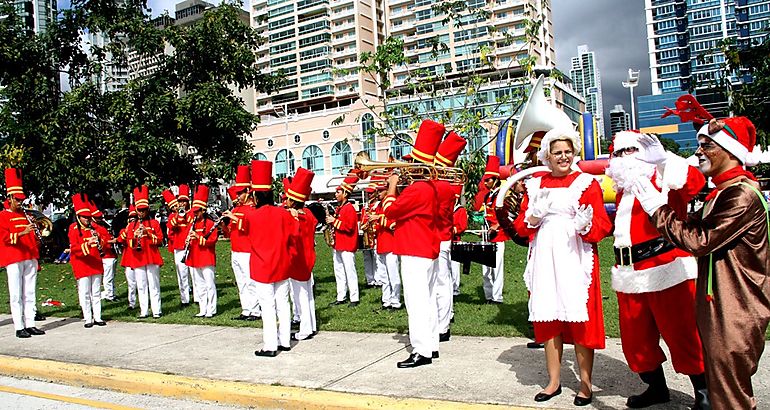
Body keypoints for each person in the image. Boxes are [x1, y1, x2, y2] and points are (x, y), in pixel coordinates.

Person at [630, 117, 769, 410]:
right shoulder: (722, 190)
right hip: (722, 303)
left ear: (730, 151)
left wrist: (657, 208)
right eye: (699, 145)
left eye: (708, 145)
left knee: (731, 396)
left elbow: (699, 240)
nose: (699, 152)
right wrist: (665, 166)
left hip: (736, 308)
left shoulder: (740, 193)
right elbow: (694, 224)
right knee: (723, 390)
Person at [604, 130, 708, 409]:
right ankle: (656, 388)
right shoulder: (623, 189)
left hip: (666, 268)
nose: (623, 158)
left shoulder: (664, 176)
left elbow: (694, 184)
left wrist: (664, 160)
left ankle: (705, 393)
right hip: (628, 273)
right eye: (617, 153)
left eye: (630, 151)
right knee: (636, 343)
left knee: (683, 335)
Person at [513, 128, 612, 406]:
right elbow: (521, 226)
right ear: (547, 155)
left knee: (580, 317)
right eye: (557, 152)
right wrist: (533, 215)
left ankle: (585, 383)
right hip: (545, 253)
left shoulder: (586, 183)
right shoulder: (535, 184)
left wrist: (585, 225)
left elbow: (603, 224)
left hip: (575, 254)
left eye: (568, 151)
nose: (563, 157)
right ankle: (554, 381)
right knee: (549, 318)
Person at [383, 119, 443, 368]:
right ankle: (431, 344)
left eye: (410, 163)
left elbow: (391, 211)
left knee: (416, 303)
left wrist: (392, 187)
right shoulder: (428, 187)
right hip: (425, 249)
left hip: (414, 251)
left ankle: (421, 350)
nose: (406, 167)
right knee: (427, 300)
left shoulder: (416, 189)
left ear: (419, 166)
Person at [248, 160, 300, 357]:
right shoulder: (283, 213)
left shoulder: (252, 216)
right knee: (284, 304)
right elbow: (294, 234)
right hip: (282, 264)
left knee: (268, 307)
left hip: (263, 266)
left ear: (256, 195)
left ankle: (270, 346)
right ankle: (285, 341)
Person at [0, 168, 45, 338]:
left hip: (29, 256)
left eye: (21, 200)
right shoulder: (3, 215)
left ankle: (30, 323)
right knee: (16, 293)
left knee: (30, 291)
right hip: (14, 257)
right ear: (10, 198)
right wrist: (23, 232)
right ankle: (19, 326)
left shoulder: (26, 215)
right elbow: (3, 238)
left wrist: (36, 228)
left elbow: (34, 236)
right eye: (17, 200)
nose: (20, 203)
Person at [433, 131, 467, 342]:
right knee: (439, 283)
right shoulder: (444, 184)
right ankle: (441, 321)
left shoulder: (446, 187)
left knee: (441, 283)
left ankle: (443, 324)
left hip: (441, 238)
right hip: (436, 238)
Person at [222, 165, 261, 321]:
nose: (237, 196)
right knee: (241, 281)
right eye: (237, 193)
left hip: (247, 250)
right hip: (236, 249)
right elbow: (231, 231)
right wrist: (224, 224)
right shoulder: (237, 208)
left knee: (250, 280)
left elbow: (250, 227)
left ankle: (256, 310)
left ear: (248, 192)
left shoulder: (253, 209)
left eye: (240, 193)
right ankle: (246, 309)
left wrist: (233, 218)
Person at [284, 167, 318, 341]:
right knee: (307, 294)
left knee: (300, 296)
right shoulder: (309, 213)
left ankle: (305, 329)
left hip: (297, 259)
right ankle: (310, 325)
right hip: (307, 257)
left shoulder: (294, 215)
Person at [68, 193, 107, 328]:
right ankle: (87, 318)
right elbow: (75, 249)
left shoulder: (94, 229)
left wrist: (99, 240)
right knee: (84, 292)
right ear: (78, 217)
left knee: (96, 291)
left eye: (88, 217)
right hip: (82, 264)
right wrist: (88, 244)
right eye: (84, 217)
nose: (87, 219)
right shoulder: (73, 229)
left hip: (95, 262)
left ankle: (98, 316)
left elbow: (105, 244)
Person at [126, 185, 164, 319]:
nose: (141, 213)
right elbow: (129, 243)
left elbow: (160, 240)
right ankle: (144, 310)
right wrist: (135, 235)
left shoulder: (154, 223)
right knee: (141, 285)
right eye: (139, 210)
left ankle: (156, 310)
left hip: (152, 256)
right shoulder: (131, 226)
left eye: (144, 210)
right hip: (138, 257)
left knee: (154, 284)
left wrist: (148, 233)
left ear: (147, 210)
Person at [326, 175, 360, 307]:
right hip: (338, 244)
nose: (335, 194)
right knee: (339, 271)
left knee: (349, 271)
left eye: (338, 192)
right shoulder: (340, 208)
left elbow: (350, 227)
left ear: (345, 194)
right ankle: (341, 296)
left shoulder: (349, 208)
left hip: (347, 245)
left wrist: (334, 221)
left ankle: (354, 297)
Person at [185, 185, 218, 318]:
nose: (195, 214)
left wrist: (197, 237)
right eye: (194, 212)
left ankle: (212, 309)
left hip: (207, 257)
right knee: (199, 285)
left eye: (197, 211)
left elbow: (212, 241)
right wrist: (188, 240)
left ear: (203, 210)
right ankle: (202, 308)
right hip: (194, 257)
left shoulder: (210, 224)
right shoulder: (191, 224)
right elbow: (186, 240)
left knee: (209, 284)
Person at [480, 155, 508, 304]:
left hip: (497, 236)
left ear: (496, 180)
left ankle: (497, 297)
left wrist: (496, 226)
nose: (486, 182)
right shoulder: (487, 196)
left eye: (488, 180)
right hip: (486, 234)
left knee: (496, 267)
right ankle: (488, 295)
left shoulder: (501, 195)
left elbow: (505, 214)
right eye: (485, 180)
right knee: (486, 268)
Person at [373, 177, 401, 310]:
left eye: (380, 191)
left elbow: (393, 224)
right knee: (383, 276)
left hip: (391, 244)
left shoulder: (391, 203)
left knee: (393, 275)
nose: (377, 194)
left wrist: (378, 219)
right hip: (381, 244)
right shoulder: (378, 205)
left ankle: (396, 301)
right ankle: (386, 300)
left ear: (386, 191)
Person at [167, 184, 193, 306]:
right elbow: (171, 227)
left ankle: (198, 297)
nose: (182, 204)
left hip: (192, 246)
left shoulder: (192, 213)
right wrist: (178, 215)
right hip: (179, 247)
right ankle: (185, 298)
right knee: (181, 274)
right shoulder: (173, 216)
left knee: (194, 273)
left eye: (184, 201)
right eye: (180, 201)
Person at [90, 202, 118, 302]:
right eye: (97, 217)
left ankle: (111, 293)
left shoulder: (103, 225)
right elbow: (101, 241)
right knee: (108, 277)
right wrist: (112, 241)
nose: (100, 219)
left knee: (111, 276)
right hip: (106, 255)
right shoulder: (94, 228)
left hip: (111, 253)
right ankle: (109, 295)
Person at [117, 205, 138, 309]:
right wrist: (126, 230)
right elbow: (120, 240)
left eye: (134, 218)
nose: (132, 220)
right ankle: (132, 303)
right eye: (130, 218)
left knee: (142, 283)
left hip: (139, 259)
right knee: (131, 284)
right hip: (129, 259)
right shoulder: (123, 230)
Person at [450, 184, 467, 297]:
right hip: (447, 240)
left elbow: (462, 225)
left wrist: (453, 229)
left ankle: (455, 288)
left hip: (456, 240)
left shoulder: (460, 210)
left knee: (455, 266)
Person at [360, 186, 379, 288]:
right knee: (367, 258)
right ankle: (370, 280)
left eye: (371, 193)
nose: (369, 195)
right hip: (367, 234)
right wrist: (364, 226)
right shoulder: (365, 207)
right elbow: (362, 221)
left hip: (375, 234)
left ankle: (378, 279)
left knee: (376, 258)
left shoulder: (378, 205)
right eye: (368, 193)